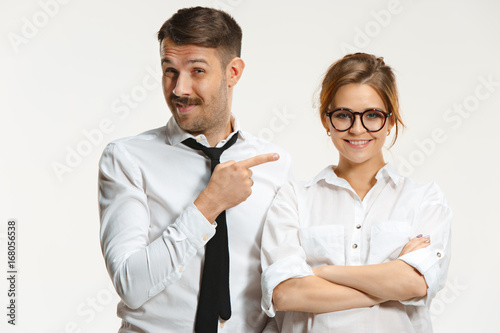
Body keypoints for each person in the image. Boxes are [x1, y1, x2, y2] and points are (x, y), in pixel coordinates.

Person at [98, 6, 292, 332]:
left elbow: (283, 280)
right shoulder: (126, 159)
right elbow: (131, 284)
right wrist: (209, 203)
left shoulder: (275, 162)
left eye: (197, 71)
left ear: (233, 72)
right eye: (169, 70)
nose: (179, 90)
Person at [260, 53, 452, 332]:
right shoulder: (293, 198)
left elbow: (415, 283)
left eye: (372, 115)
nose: (357, 128)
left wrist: (321, 272)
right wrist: (391, 281)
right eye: (343, 115)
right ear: (327, 121)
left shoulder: (425, 199)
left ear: (390, 121)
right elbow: (287, 294)